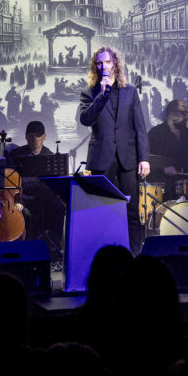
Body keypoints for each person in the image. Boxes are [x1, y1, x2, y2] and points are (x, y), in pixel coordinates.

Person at [77, 47, 150, 253]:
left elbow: (140, 127)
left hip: (127, 158)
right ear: (95, 67)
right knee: (103, 210)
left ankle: (134, 256)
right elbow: (85, 119)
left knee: (131, 211)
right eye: (99, 63)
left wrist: (144, 158)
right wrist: (101, 95)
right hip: (101, 157)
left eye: (107, 62)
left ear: (115, 64)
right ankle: (104, 259)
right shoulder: (89, 92)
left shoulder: (130, 91)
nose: (103, 66)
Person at [9, 120, 65, 257]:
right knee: (23, 211)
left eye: (38, 135)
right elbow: (10, 181)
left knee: (59, 207)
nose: (34, 139)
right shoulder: (16, 154)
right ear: (26, 137)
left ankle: (53, 246)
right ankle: (25, 249)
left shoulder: (51, 156)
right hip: (22, 198)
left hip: (44, 199)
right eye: (31, 135)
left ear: (44, 137)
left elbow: (56, 184)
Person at [148, 99, 188, 199]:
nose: (186, 117)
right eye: (183, 113)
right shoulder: (155, 134)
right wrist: (163, 170)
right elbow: (148, 162)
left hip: (187, 188)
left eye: (186, 113)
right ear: (172, 114)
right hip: (163, 187)